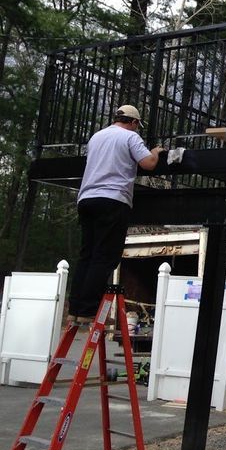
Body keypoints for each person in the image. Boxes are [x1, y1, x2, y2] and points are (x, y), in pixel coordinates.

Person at [67, 105, 164, 323]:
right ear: (134, 122)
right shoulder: (130, 137)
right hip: (112, 199)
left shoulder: (97, 137)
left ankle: (75, 308)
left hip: (86, 198)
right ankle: (88, 310)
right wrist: (156, 152)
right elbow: (148, 163)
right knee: (104, 256)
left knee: (87, 255)